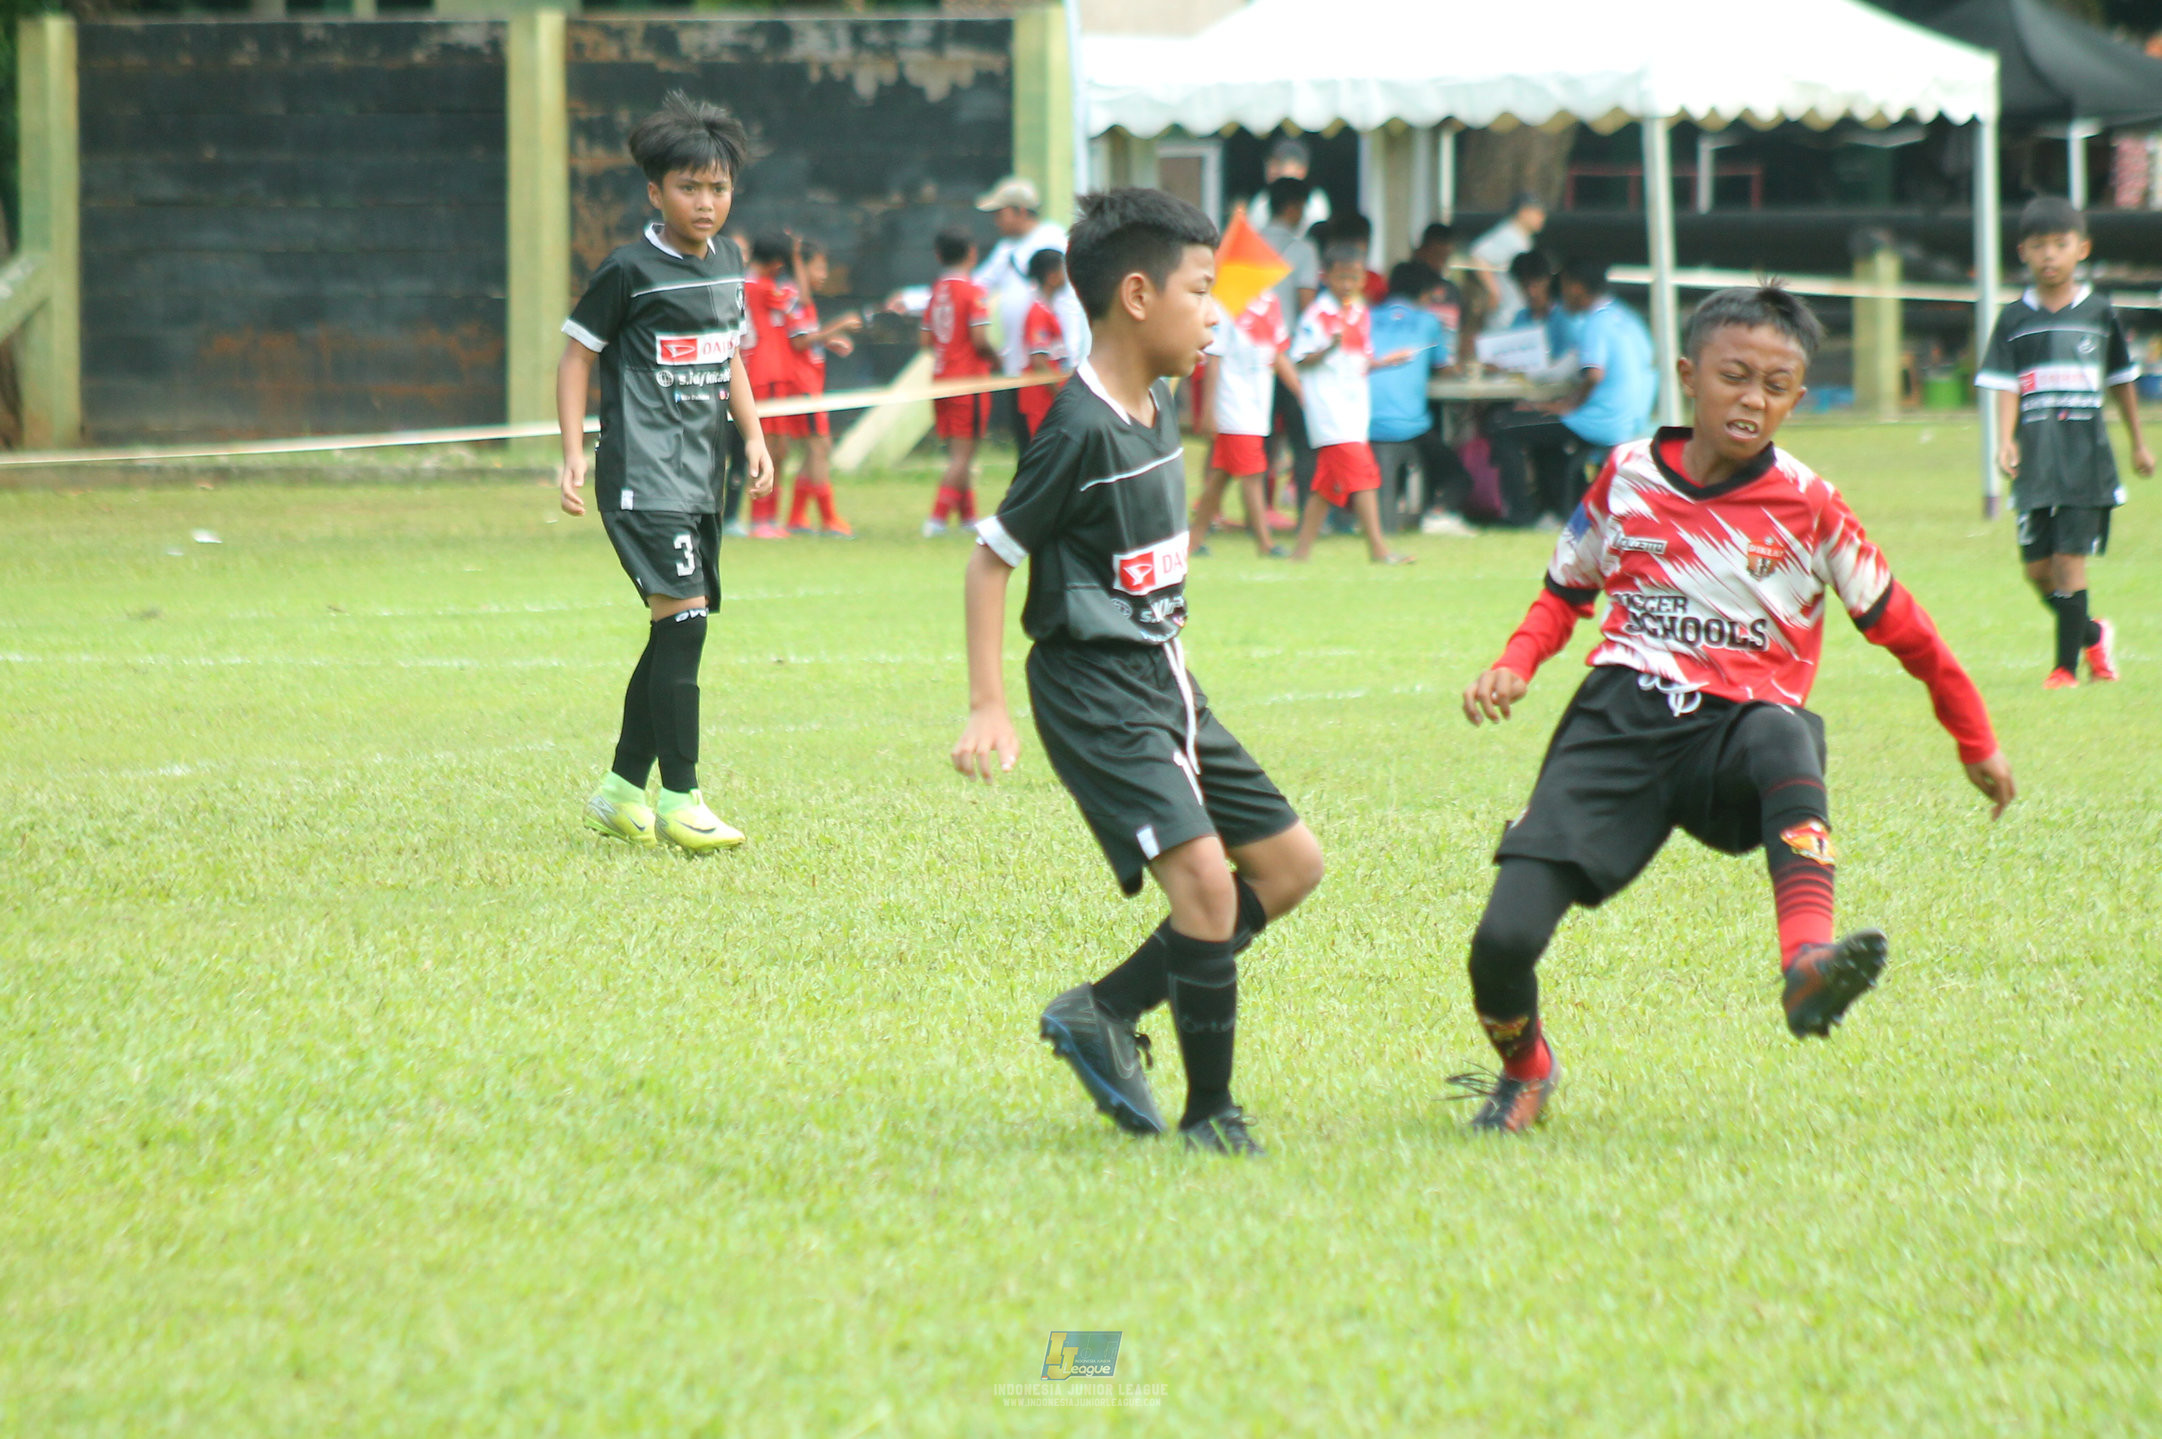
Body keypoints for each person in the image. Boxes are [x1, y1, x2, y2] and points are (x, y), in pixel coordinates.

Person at [1453, 284, 2015, 1133]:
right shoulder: (1628, 474)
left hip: (1734, 739)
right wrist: (1514, 661)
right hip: (1618, 723)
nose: (1754, 399)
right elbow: (1564, 588)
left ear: (1797, 395)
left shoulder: (1809, 504)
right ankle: (1526, 1068)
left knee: (1786, 730)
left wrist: (1975, 737)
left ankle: (1807, 959)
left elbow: (1910, 631)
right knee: (1499, 946)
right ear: (1689, 374)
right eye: (1735, 375)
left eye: (1778, 384)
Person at [952, 188, 1326, 1156]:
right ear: (1133, 295)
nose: (1215, 313)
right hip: (1091, 688)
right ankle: (1210, 1115)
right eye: (1201, 292)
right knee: (1204, 884)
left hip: (1164, 678)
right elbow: (990, 557)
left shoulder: (1156, 401)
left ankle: (1102, 1010)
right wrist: (987, 703)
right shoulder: (1075, 429)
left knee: (1286, 868)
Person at [556, 92, 773, 855]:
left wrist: (752, 435)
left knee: (675, 631)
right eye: (689, 187)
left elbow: (730, 352)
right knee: (682, 625)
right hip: (642, 477)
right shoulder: (629, 270)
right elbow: (579, 352)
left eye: (717, 187)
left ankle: (619, 791)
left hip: (700, 477)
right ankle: (682, 798)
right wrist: (575, 450)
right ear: (656, 192)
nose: (705, 202)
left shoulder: (732, 262)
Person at [1976, 195, 2153, 689]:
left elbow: (2121, 381)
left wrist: (2139, 443)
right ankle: (2094, 635)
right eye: (2039, 246)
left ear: (2082, 249)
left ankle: (2064, 670)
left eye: (2060, 244)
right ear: (2023, 253)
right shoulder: (2013, 318)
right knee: (2038, 572)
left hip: (2084, 459)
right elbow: (2005, 385)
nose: (2050, 255)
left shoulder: (2098, 312)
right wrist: (2005, 440)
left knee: (2068, 562)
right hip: (2035, 459)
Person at [1288, 242, 1416, 564]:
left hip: (1354, 408)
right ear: (1326, 277)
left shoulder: (1360, 312)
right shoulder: (1318, 315)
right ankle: (1379, 549)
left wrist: (1388, 361)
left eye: (1354, 277)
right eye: (1341, 277)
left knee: (1326, 484)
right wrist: (1328, 347)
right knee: (1363, 474)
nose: (1348, 284)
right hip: (1329, 409)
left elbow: (1361, 360)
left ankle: (1300, 552)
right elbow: (1300, 359)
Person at [1368, 261, 1474, 535]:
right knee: (1457, 475)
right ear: (1425, 293)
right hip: (1407, 425)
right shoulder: (1428, 321)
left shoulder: (1366, 316)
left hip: (1362, 421)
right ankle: (1438, 512)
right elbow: (1442, 367)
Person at [1192, 287, 1297, 557]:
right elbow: (1214, 360)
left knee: (1220, 477)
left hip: (1257, 406)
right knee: (1252, 474)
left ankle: (1192, 542)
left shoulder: (1272, 302)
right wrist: (1209, 411)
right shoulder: (1227, 304)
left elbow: (1278, 354)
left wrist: (1301, 392)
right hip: (1233, 404)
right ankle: (1265, 543)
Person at [974, 176, 1069, 445]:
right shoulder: (1006, 249)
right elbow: (976, 286)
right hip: (1022, 369)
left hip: (1053, 371)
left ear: (1021, 211)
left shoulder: (1054, 241)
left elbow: (1072, 308)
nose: (996, 221)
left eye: (1000, 213)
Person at [781, 238, 863, 537]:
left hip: (809, 381)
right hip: (801, 383)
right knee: (819, 446)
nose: (824, 273)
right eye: (819, 266)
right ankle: (828, 519)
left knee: (817, 447)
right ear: (800, 266)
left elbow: (803, 337)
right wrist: (837, 325)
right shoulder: (793, 296)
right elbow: (799, 341)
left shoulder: (800, 297)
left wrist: (827, 339)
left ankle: (796, 517)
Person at [923, 226, 999, 537]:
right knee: (963, 455)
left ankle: (968, 517)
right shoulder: (974, 291)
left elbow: (925, 340)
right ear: (972, 254)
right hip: (968, 381)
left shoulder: (937, 291)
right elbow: (980, 338)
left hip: (941, 379)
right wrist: (996, 359)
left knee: (958, 452)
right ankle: (936, 520)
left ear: (939, 256)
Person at [1259, 176, 1323, 513]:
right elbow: (1306, 305)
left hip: (1252, 354)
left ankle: (1261, 511)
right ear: (1293, 207)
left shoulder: (1246, 244)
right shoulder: (1303, 249)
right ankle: (1303, 513)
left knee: (1259, 438)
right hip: (1289, 355)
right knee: (1302, 439)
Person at [740, 232, 803, 540]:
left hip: (763, 371)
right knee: (773, 448)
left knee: (778, 448)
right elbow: (800, 299)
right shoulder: (761, 288)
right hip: (766, 373)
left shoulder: (750, 286)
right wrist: (800, 261)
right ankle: (761, 518)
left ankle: (767, 517)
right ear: (777, 264)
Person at [1469, 192, 1548, 332]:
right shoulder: (1509, 234)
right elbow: (1478, 255)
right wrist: (1493, 291)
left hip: (1516, 313)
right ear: (1523, 212)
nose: (1542, 218)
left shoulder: (1521, 237)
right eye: (1538, 212)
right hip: (1504, 317)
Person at [1016, 247, 1072, 440]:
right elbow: (1039, 361)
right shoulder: (1038, 313)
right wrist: (1061, 398)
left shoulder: (1048, 310)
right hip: (1042, 401)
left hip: (1048, 400)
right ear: (1052, 276)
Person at [1246, 136, 1332, 235]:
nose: (1274, 170)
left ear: (1302, 169)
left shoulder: (1315, 200)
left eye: (1281, 164)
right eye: (1271, 163)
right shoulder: (1263, 198)